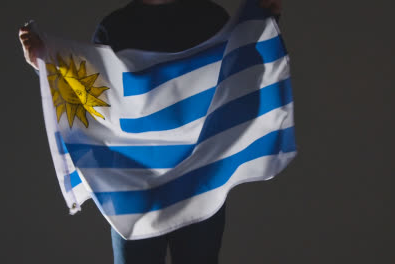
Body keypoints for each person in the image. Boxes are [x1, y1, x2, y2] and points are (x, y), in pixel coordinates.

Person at [19, 0, 282, 263]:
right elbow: (94, 101)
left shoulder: (210, 17)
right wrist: (45, 62)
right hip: (134, 187)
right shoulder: (115, 27)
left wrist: (262, 19)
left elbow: (241, 68)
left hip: (199, 179)